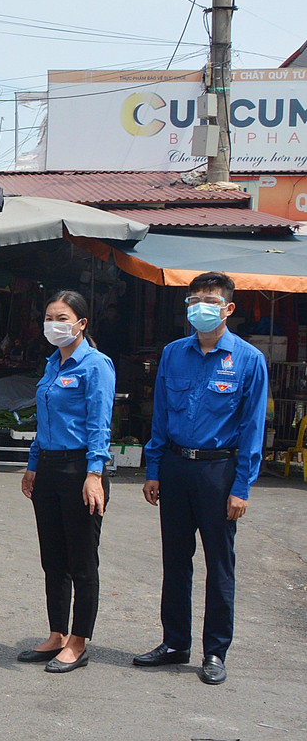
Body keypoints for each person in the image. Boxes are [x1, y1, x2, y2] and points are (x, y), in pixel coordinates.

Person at [134, 272, 267, 686]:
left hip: (218, 471)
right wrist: (153, 468)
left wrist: (241, 487)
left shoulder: (248, 359)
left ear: (228, 308)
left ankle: (215, 652)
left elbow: (252, 429)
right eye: (193, 301)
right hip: (175, 466)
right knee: (175, 561)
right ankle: (174, 643)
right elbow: (160, 416)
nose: (199, 307)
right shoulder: (174, 353)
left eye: (208, 300)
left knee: (219, 565)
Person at [18, 290, 115, 672]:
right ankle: (57, 633)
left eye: (62, 318)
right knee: (52, 558)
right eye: (49, 318)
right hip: (50, 468)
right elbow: (44, 424)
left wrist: (94, 474)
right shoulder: (51, 365)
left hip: (81, 470)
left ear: (81, 323)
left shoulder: (95, 365)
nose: (53, 325)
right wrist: (33, 464)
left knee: (81, 561)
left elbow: (99, 423)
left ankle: (78, 640)